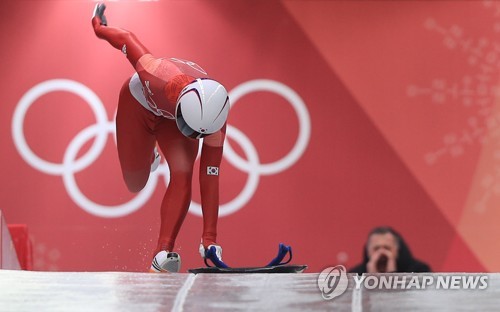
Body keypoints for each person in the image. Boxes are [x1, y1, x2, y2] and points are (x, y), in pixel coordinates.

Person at [91, 3, 230, 273]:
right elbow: (126, 38)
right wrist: (99, 27)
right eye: (190, 130)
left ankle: (162, 253)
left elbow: (210, 174)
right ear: (180, 106)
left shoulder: (216, 118)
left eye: (196, 134)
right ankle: (151, 149)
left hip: (172, 122)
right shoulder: (155, 74)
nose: (195, 137)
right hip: (137, 105)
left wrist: (210, 239)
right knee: (135, 182)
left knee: (183, 172)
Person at [349, 226, 431, 274]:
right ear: (368, 251)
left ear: (397, 250)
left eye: (387, 248)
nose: (381, 253)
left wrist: (392, 276)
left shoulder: (419, 272)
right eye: (376, 248)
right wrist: (370, 279)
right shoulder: (355, 275)